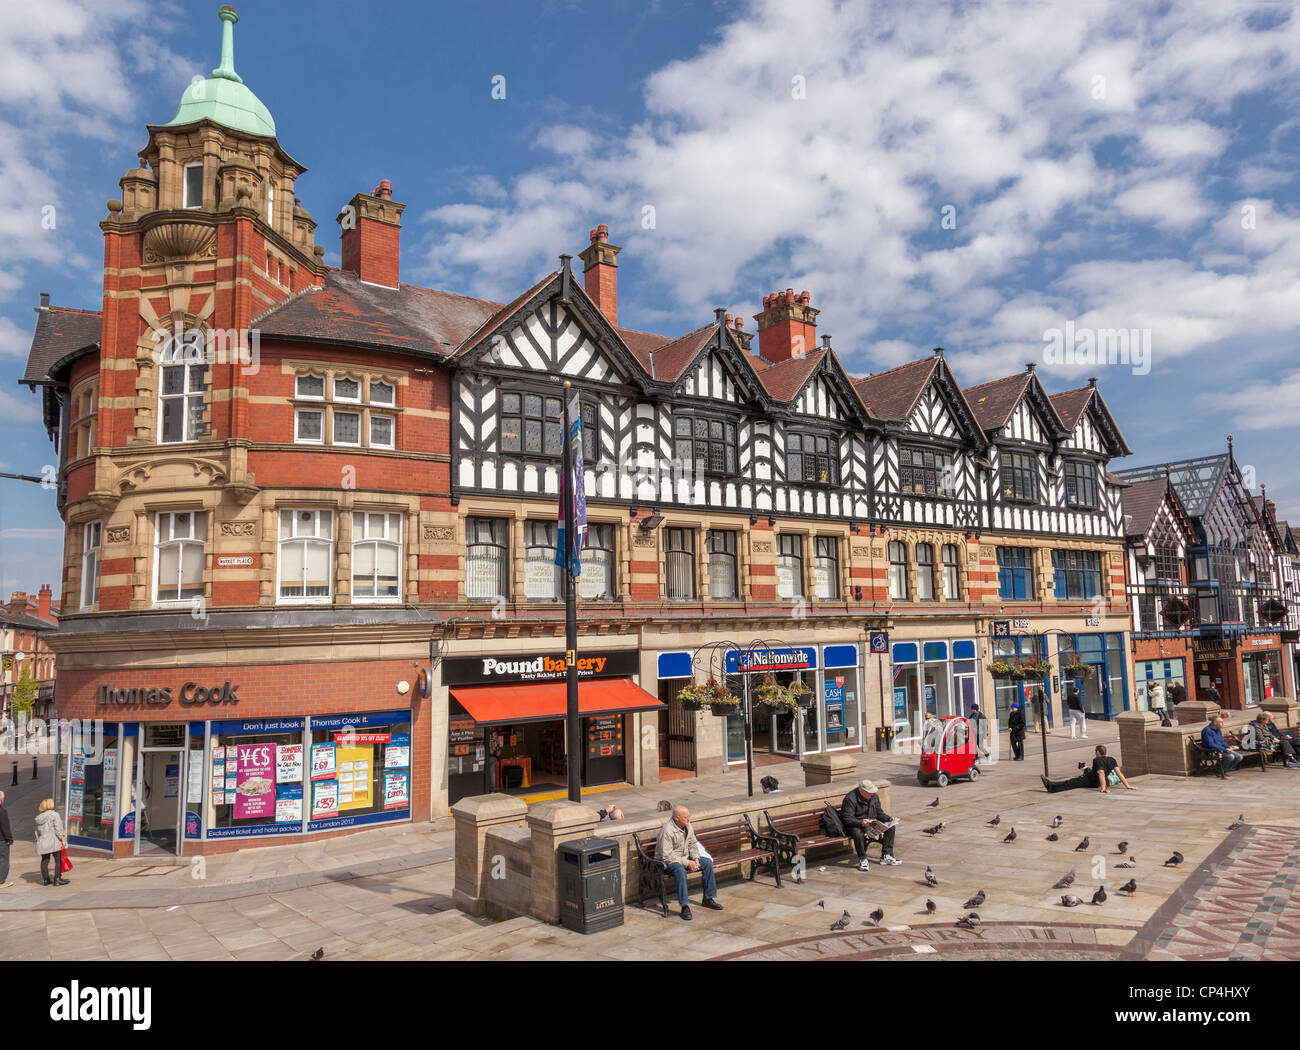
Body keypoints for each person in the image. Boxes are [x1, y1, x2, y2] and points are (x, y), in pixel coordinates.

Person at [655, 805, 722, 920]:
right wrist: (687, 863)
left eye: (689, 816)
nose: (688, 819)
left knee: (706, 863)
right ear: (676, 818)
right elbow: (666, 856)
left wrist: (695, 858)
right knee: (680, 870)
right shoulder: (667, 831)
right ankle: (684, 906)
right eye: (685, 817)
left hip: (684, 858)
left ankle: (708, 898)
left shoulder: (688, 826)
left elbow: (692, 844)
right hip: (667, 863)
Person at [840, 779, 900, 870]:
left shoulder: (873, 796)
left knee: (891, 827)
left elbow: (878, 812)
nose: (872, 794)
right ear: (861, 791)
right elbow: (847, 818)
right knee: (858, 833)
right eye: (869, 792)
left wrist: (888, 818)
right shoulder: (850, 798)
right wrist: (861, 822)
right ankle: (863, 859)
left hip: (871, 823)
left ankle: (886, 855)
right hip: (856, 824)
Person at [1041, 744, 1138, 794]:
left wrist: (1103, 788)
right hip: (1099, 781)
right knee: (1075, 780)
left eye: (1095, 751)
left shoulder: (1097, 760)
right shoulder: (1112, 759)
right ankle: (1051, 786)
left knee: (1070, 783)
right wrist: (1128, 785)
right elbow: (1119, 773)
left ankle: (1051, 787)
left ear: (1097, 752)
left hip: (1091, 781)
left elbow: (1101, 773)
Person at [34, 798, 67, 887]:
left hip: (43, 842)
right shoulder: (54, 815)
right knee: (58, 860)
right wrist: (62, 838)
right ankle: (57, 879)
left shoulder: (39, 817)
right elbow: (58, 829)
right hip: (53, 841)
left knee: (45, 860)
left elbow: (36, 832)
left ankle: (46, 879)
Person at [0, 790, 13, 889]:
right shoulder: (2, 811)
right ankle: (1, 882)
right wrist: (9, 839)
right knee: (4, 860)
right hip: (1, 840)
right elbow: (5, 826)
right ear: (1, 799)